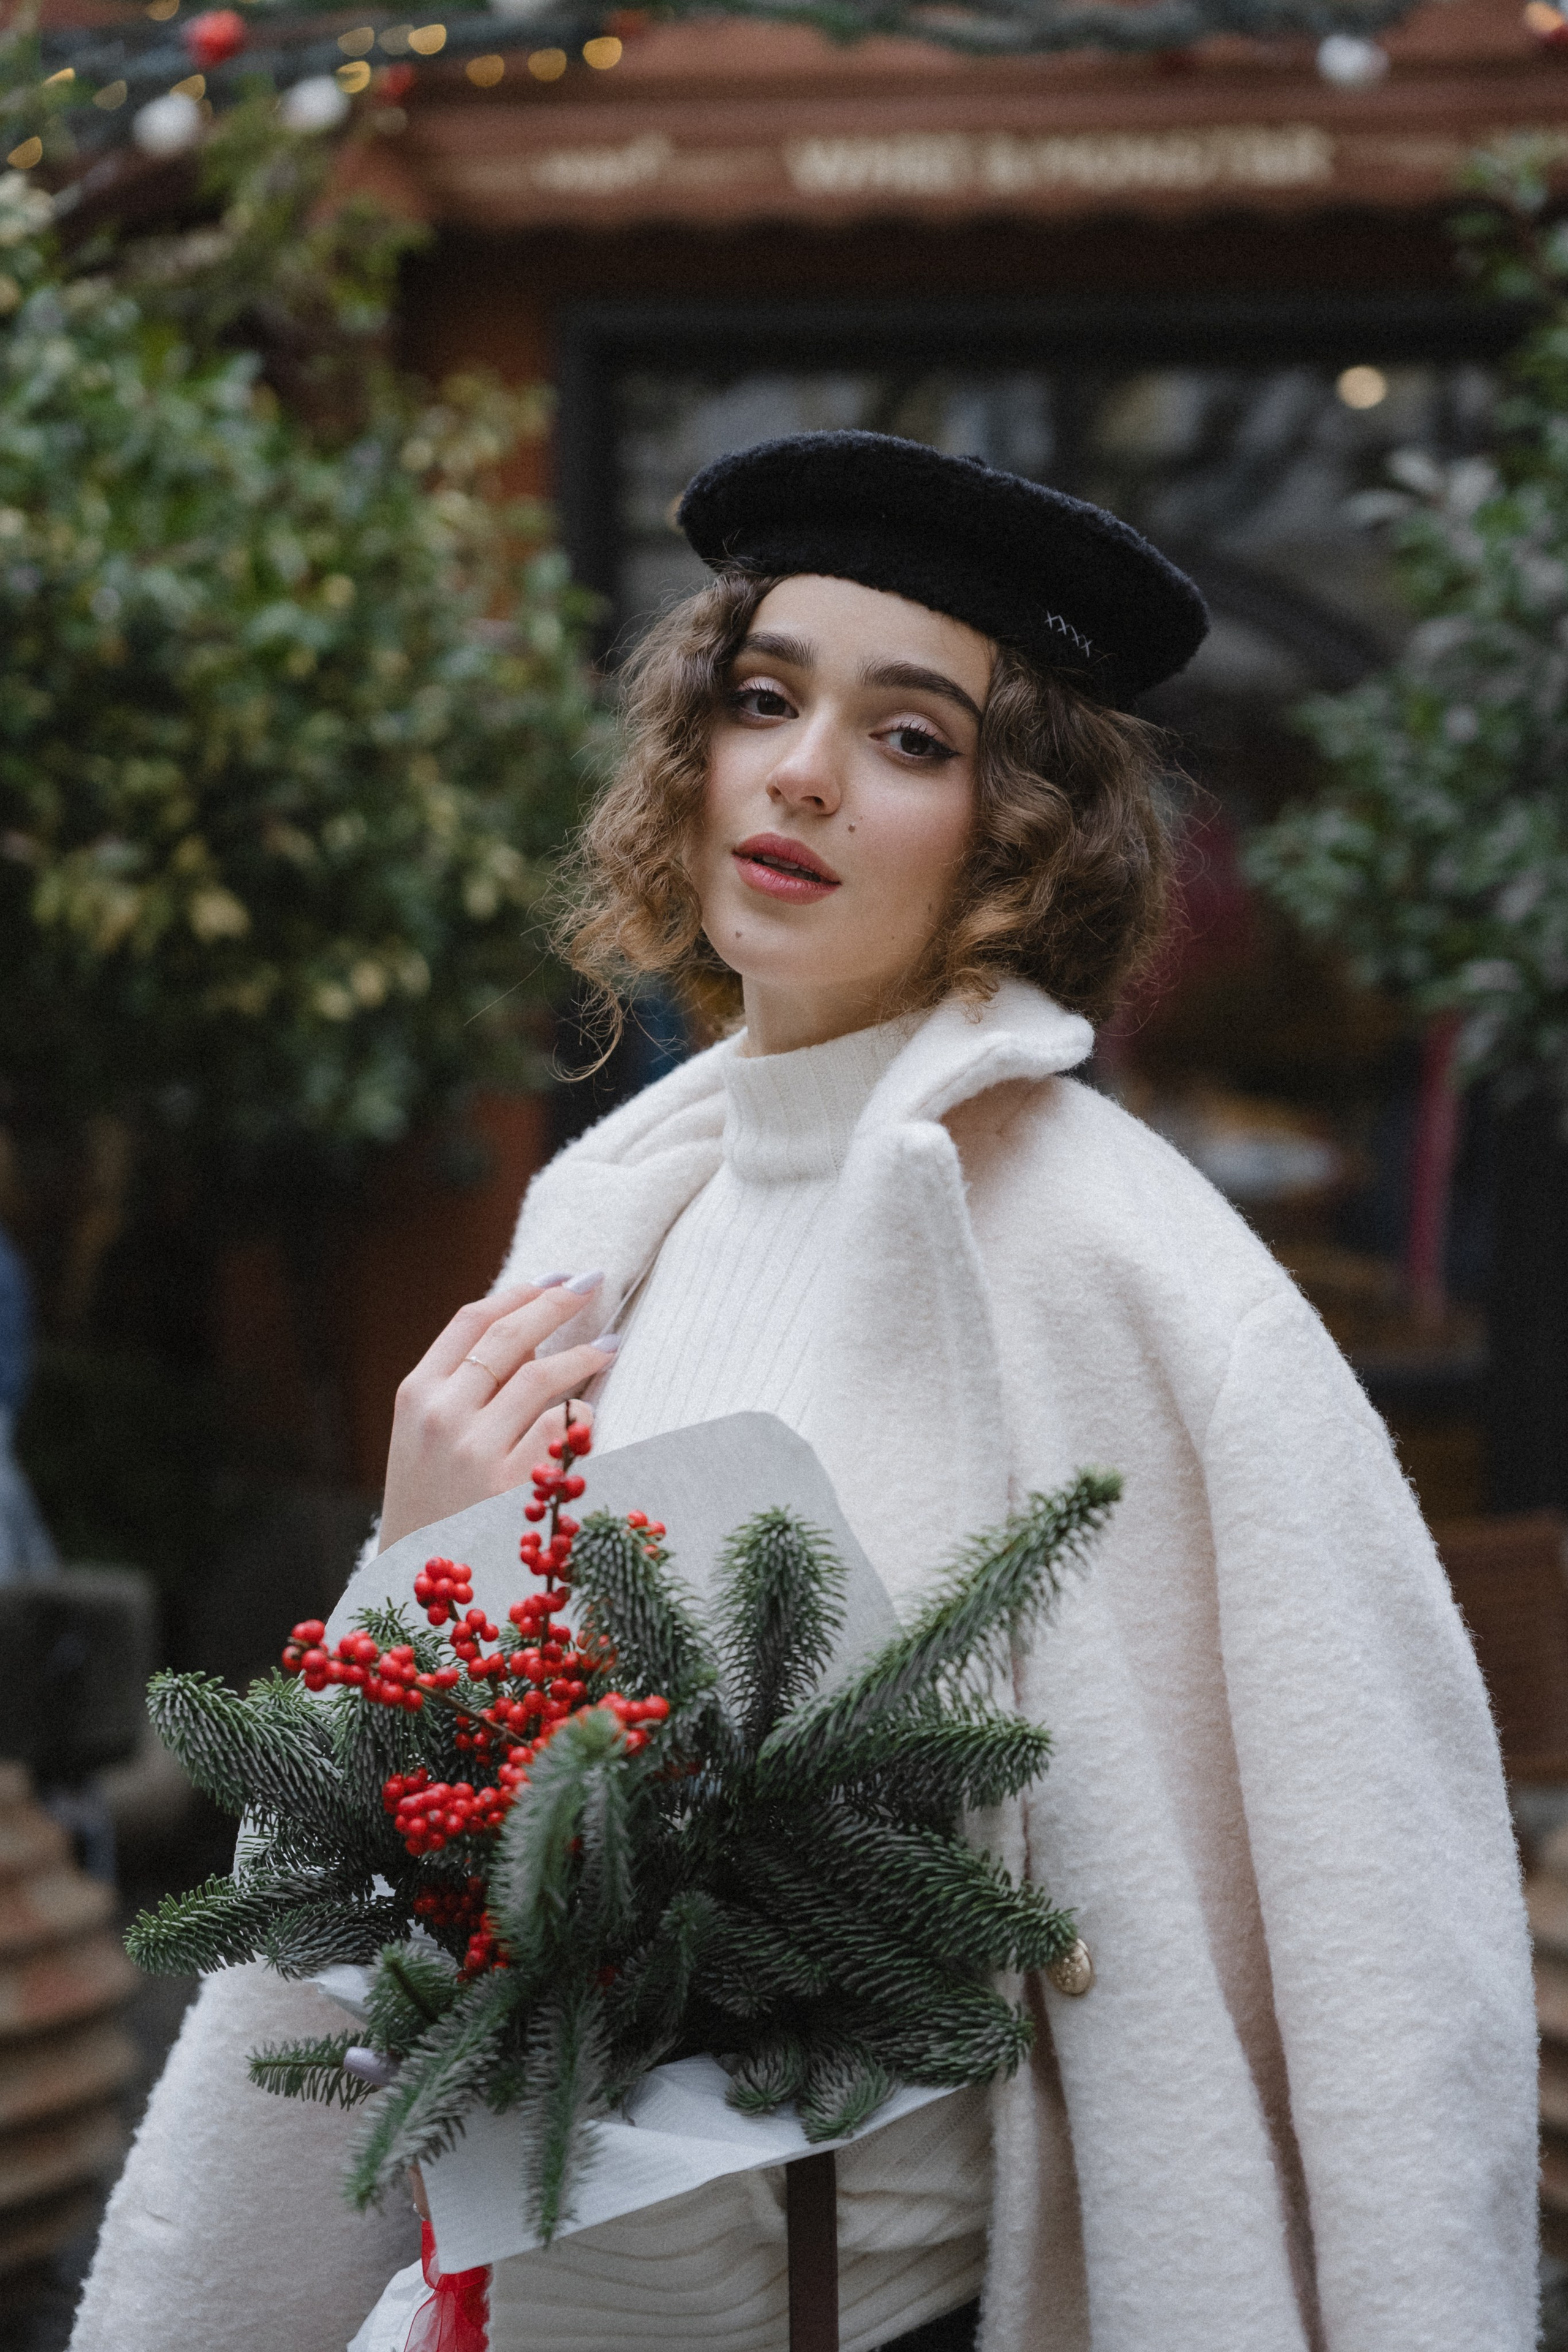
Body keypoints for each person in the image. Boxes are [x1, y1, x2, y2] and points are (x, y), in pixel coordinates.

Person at [71, 433, 1535, 2352]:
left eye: (913, 739)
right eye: (765, 700)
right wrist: (421, 1559)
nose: (806, 772)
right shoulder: (617, 1211)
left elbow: (1387, 1941)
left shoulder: (1134, 1272)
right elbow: (417, 1836)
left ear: (1023, 835)